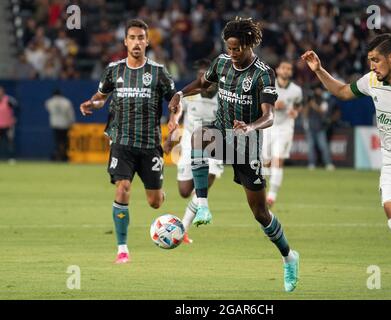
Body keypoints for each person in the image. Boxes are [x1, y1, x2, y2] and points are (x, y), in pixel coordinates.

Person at [302, 33, 391, 297]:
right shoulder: (372, 81)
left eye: (375, 60)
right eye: (369, 60)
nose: (372, 66)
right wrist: (319, 70)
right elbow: (341, 91)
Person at [168, 17, 299, 292]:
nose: (232, 53)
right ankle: (202, 204)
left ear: (249, 44)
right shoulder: (222, 63)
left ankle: (288, 257)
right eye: (229, 47)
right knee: (199, 137)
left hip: (247, 146)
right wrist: (180, 93)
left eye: (237, 48)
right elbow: (203, 83)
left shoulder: (263, 74)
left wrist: (250, 126)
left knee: (260, 213)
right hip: (222, 134)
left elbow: (270, 116)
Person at [79, 19, 179, 264]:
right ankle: (122, 249)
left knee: (154, 203)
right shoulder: (114, 70)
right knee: (122, 187)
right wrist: (92, 103)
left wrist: (175, 118)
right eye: (132, 38)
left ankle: (160, 195)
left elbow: (175, 100)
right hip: (121, 142)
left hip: (150, 144)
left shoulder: (158, 72)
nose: (136, 42)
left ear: (147, 41)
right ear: (125, 41)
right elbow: (102, 97)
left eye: (141, 38)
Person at [164, 59, 223, 244]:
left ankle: (184, 228)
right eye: (200, 76)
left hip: (214, 144)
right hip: (190, 144)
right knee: (184, 191)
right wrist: (171, 137)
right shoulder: (190, 96)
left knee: (203, 184)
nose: (204, 80)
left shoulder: (222, 97)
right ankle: (196, 203)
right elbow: (178, 111)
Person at [262, 59, 303, 207]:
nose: (286, 71)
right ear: (278, 70)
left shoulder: (296, 90)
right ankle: (264, 191)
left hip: (285, 128)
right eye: (284, 68)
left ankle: (272, 196)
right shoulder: (268, 86)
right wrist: (273, 106)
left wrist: (295, 112)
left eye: (289, 69)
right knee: (265, 160)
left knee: (277, 159)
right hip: (268, 126)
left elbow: (298, 105)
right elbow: (260, 105)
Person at [303, 86, 335, 170]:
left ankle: (328, 163)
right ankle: (311, 163)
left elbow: (322, 111)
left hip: (320, 128)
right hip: (310, 127)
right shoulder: (310, 102)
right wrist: (308, 104)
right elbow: (305, 114)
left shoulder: (324, 101)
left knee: (323, 146)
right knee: (310, 147)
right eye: (316, 90)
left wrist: (314, 105)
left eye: (319, 90)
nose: (318, 92)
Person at [45, 89, 75, 161]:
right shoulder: (66, 102)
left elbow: (48, 108)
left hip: (55, 124)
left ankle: (59, 155)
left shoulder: (49, 102)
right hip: (64, 124)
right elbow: (70, 114)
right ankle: (62, 155)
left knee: (58, 141)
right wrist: (71, 122)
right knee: (64, 141)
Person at [0, 87, 18, 163]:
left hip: (8, 125)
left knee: (10, 142)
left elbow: (17, 108)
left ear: (3, 92)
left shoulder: (8, 100)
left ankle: (11, 158)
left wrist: (14, 117)